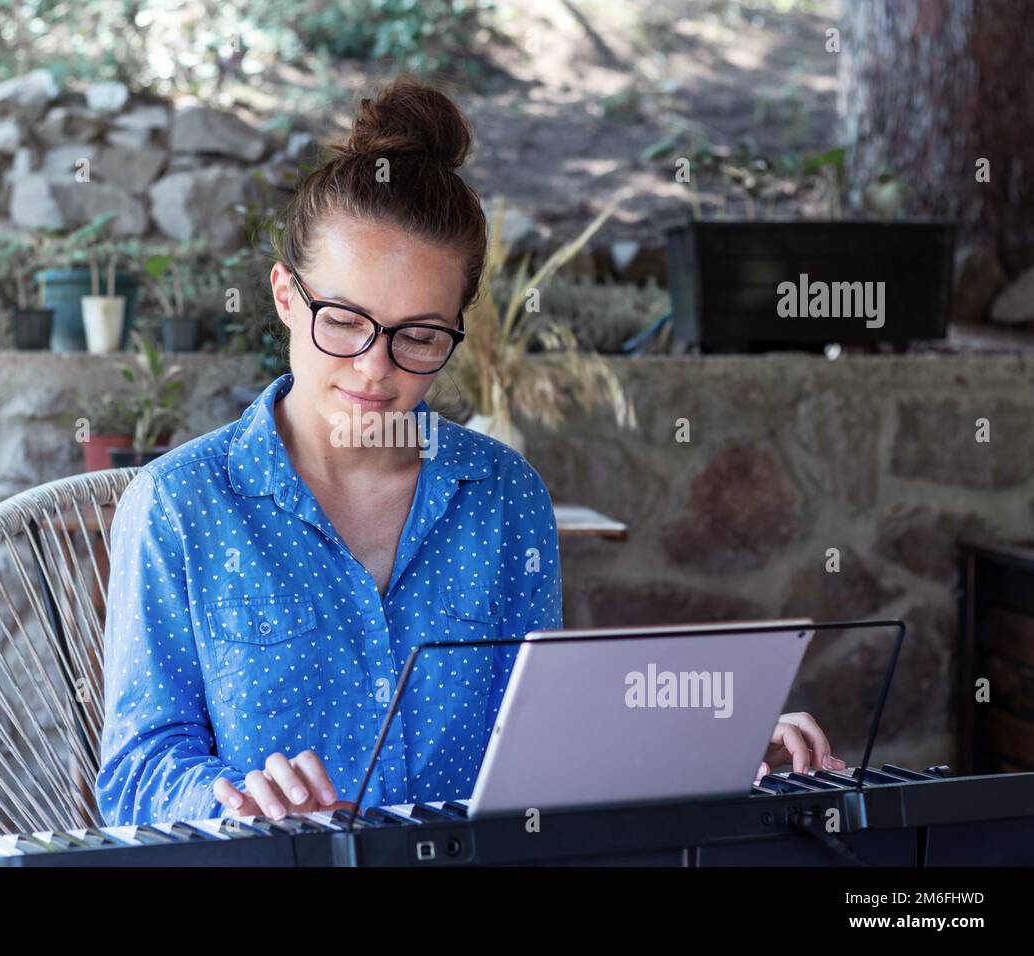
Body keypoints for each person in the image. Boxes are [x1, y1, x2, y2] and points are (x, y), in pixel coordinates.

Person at [96, 74, 843, 828]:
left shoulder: (503, 495)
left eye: (419, 336)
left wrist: (708, 746)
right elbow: (136, 771)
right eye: (346, 320)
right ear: (287, 297)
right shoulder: (179, 504)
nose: (374, 367)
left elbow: (538, 742)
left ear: (457, 329)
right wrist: (231, 800)